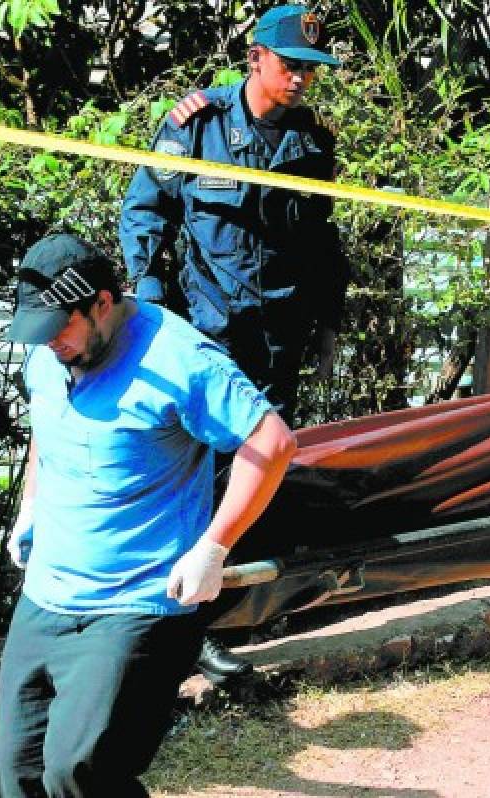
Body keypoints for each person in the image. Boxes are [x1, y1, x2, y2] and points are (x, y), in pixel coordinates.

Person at [0, 234, 296, 797]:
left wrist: (214, 546)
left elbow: (272, 443)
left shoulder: (179, 359)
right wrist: (32, 501)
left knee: (78, 774)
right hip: (46, 597)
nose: (48, 342)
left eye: (60, 327)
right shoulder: (50, 347)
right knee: (17, 778)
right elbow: (47, 425)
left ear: (102, 303)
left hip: (135, 606)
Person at [119, 3, 349, 684]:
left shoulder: (311, 143)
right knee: (190, 478)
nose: (302, 78)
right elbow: (145, 213)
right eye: (290, 64)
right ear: (256, 58)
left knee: (249, 482)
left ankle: (205, 623)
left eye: (311, 67)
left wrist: (327, 324)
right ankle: (171, 629)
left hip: (277, 340)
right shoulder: (196, 124)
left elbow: (320, 244)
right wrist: (150, 305)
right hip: (206, 336)